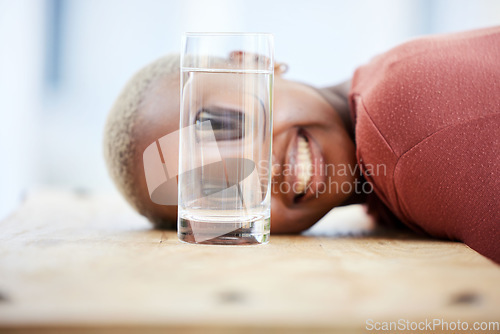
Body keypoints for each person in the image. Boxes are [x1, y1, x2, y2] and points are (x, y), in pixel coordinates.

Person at [104, 26, 500, 263]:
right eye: (222, 191)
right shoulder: (383, 164)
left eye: (224, 124)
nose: (261, 165)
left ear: (255, 63)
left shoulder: (404, 122)